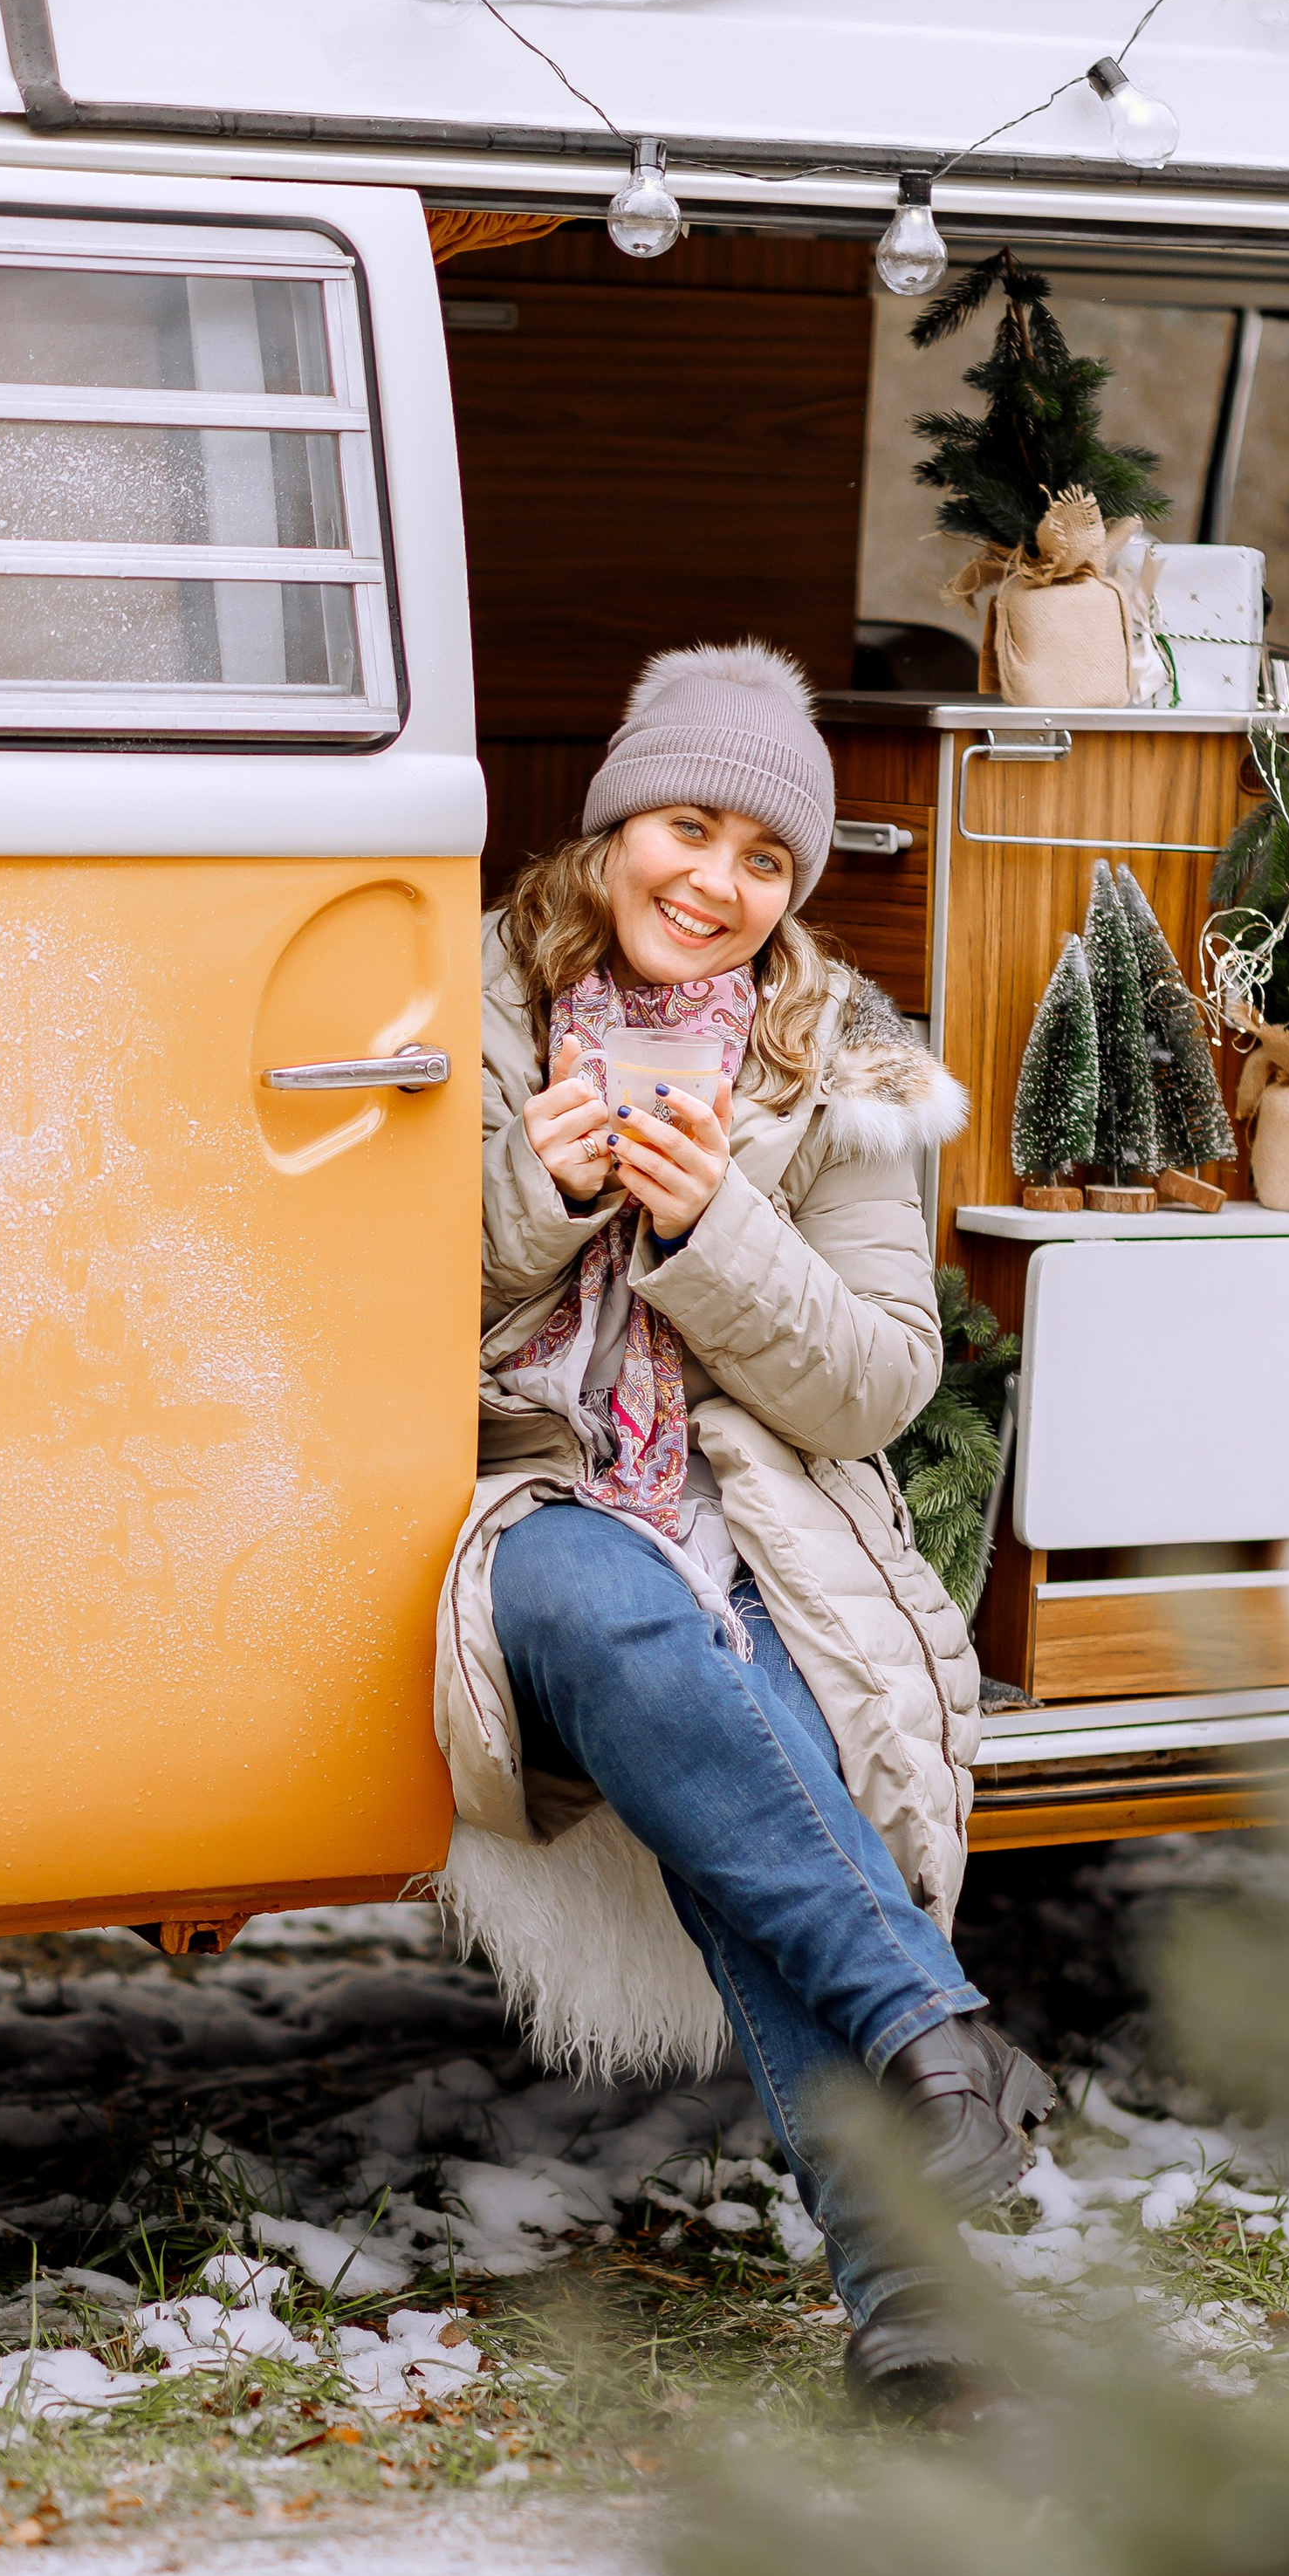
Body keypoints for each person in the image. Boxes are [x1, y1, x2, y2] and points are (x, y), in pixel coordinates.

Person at [434, 640, 1053, 2410]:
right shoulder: (462, 1003)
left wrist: (716, 1235)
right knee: (611, 1610)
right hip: (515, 1494)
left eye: (762, 859)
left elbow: (872, 1384)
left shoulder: (844, 1069)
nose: (713, 885)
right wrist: (536, 1202)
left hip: (755, 1511)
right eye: (683, 830)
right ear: (614, 822)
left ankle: (912, 2309)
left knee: (767, 1753)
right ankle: (928, 2024)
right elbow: (356, 1307)